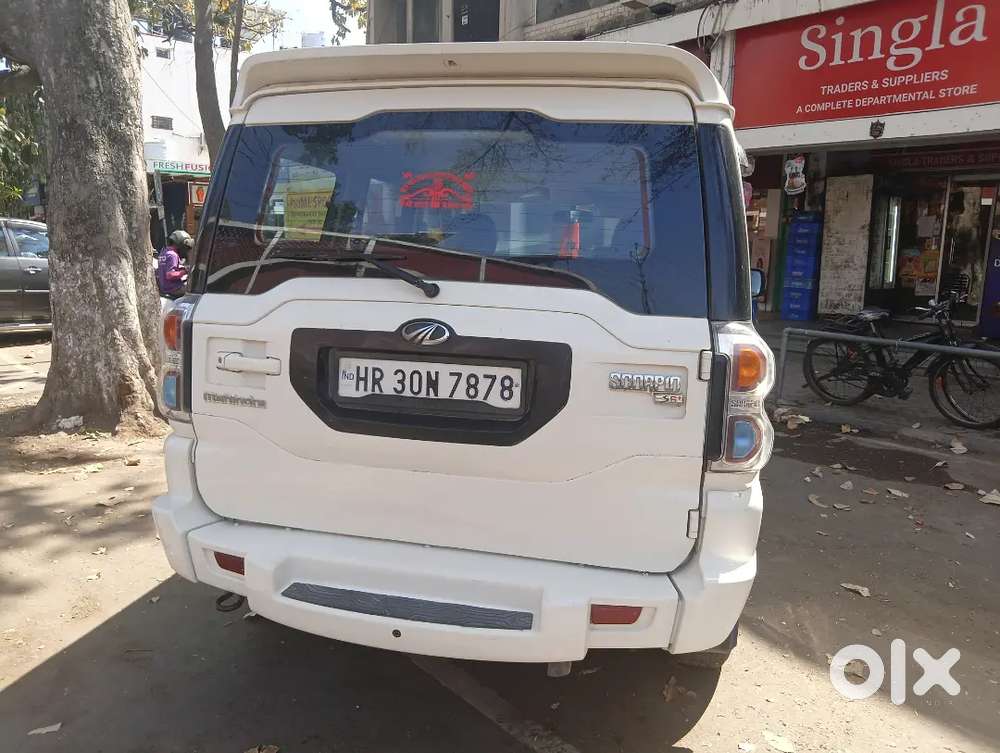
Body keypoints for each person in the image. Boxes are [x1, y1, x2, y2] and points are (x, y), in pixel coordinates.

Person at [157, 230, 193, 298]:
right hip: (174, 289)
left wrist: (182, 269)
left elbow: (166, 269)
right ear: (180, 244)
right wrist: (185, 271)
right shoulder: (173, 255)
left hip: (165, 288)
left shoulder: (164, 253)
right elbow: (170, 275)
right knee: (196, 290)